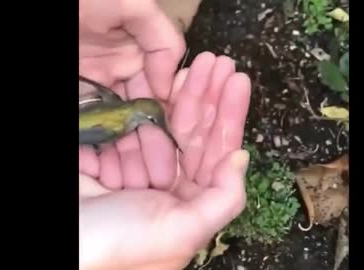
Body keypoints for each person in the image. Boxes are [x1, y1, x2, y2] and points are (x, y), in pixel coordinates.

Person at [79, 0, 252, 269]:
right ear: (139, 117)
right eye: (150, 121)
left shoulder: (114, 101)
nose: (150, 125)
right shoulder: (118, 129)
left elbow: (93, 89)